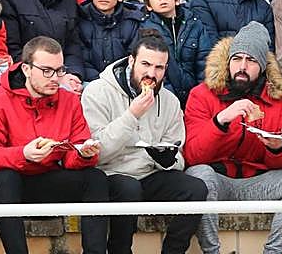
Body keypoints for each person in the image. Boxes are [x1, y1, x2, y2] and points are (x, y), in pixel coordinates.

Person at [183, 21, 282, 254]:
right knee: (199, 175)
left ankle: (272, 252)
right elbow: (193, 156)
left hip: (257, 181)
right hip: (218, 179)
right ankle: (212, 252)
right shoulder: (202, 94)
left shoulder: (276, 99)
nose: (243, 66)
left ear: (263, 67)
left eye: (251, 60)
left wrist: (277, 148)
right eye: (237, 59)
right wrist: (221, 121)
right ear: (228, 61)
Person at [0, 35, 109, 254]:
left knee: (95, 178)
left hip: (43, 180)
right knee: (7, 179)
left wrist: (83, 153)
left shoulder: (69, 101)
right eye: (46, 71)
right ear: (26, 69)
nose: (55, 78)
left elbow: (74, 151)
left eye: (60, 70)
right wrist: (22, 154)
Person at [81, 31, 208, 254]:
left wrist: (167, 160)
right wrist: (132, 115)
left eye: (159, 68)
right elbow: (96, 154)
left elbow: (178, 155)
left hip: (150, 173)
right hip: (111, 174)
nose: (151, 74)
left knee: (196, 189)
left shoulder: (169, 101)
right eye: (145, 64)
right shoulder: (97, 91)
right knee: (128, 188)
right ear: (131, 61)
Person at [140, 0, 213, 104]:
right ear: (148, 5)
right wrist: (170, 99)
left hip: (194, 94)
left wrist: (200, 95)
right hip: (163, 96)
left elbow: (204, 62)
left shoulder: (195, 24)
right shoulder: (146, 29)